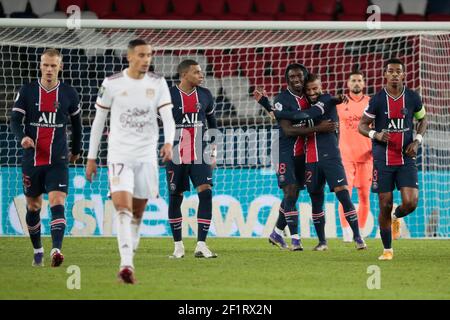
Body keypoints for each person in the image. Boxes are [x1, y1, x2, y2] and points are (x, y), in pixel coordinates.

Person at [86, 39, 175, 283]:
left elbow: (167, 116)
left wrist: (169, 142)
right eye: (142, 55)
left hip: (146, 157)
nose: (147, 59)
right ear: (129, 57)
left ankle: (129, 254)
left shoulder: (158, 83)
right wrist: (91, 158)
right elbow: (98, 121)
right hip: (119, 155)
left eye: (149, 55)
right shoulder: (112, 84)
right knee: (122, 209)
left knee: (137, 213)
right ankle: (126, 265)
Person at [10, 48, 82, 267]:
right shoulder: (27, 91)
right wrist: (22, 137)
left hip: (58, 159)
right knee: (33, 207)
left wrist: (77, 150)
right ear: (40, 66)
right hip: (32, 159)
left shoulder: (69, 93)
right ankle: (38, 250)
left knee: (57, 201)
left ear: (60, 67)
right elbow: (14, 121)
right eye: (46, 65)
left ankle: (56, 250)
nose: (49, 69)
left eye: (53, 65)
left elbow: (77, 127)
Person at [254, 64, 338, 251]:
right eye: (292, 76)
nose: (296, 79)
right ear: (287, 79)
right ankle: (295, 239)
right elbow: (288, 130)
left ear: (305, 76)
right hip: (284, 152)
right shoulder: (282, 99)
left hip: (304, 153)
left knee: (294, 194)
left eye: (299, 75)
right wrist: (318, 128)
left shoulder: (311, 98)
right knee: (290, 191)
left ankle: (277, 233)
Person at [283, 74, 367, 251]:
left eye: (315, 89)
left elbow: (324, 106)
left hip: (331, 158)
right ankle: (322, 242)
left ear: (321, 87)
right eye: (309, 90)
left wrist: (282, 114)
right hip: (311, 161)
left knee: (343, 195)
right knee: (316, 201)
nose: (312, 92)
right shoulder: (304, 106)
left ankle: (358, 238)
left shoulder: (327, 99)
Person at [358, 58, 427, 260]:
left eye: (398, 71)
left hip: (406, 158)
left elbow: (423, 119)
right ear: (385, 75)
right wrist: (375, 135)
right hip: (383, 160)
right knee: (385, 204)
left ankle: (396, 217)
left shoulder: (413, 97)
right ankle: (388, 250)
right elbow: (362, 125)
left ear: (404, 75)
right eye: (391, 71)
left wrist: (417, 140)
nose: (395, 74)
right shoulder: (377, 100)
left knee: (411, 203)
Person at [166, 59, 218, 259]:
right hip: (175, 155)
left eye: (201, 72)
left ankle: (201, 245)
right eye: (196, 72)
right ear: (184, 75)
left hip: (200, 154)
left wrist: (213, 152)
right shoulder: (168, 95)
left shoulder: (205, 95)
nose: (201, 75)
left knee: (206, 194)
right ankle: (178, 246)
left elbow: (212, 125)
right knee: (175, 197)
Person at [337, 71, 372, 242]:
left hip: (367, 157)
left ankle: (362, 231)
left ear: (364, 84)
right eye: (353, 80)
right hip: (345, 157)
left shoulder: (371, 102)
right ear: (348, 84)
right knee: (344, 195)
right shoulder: (339, 103)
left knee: (364, 196)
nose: (356, 83)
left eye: (359, 80)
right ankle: (346, 233)